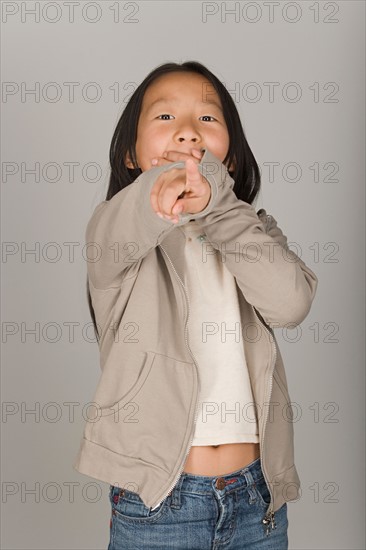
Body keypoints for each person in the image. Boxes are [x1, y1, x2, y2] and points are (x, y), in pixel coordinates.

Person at [73, 60, 318, 549]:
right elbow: (117, 231)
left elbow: (290, 303)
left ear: (229, 159)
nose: (187, 133)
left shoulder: (255, 232)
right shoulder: (117, 235)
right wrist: (155, 195)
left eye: (207, 119)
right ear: (129, 155)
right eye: (165, 119)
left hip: (257, 497)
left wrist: (218, 208)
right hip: (160, 502)